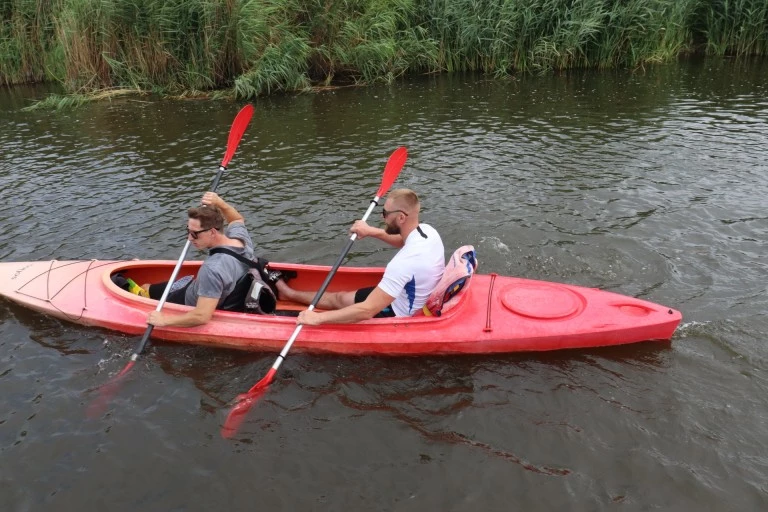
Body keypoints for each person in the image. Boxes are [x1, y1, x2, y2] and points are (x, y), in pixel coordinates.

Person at [275, 188, 445, 325]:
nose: (382, 216)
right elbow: (402, 240)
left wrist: (317, 318)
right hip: (405, 296)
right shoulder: (428, 232)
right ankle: (288, 294)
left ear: (401, 217)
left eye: (385, 213)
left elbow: (367, 311)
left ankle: (289, 295)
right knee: (340, 298)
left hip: (397, 313)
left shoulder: (403, 263)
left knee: (340, 302)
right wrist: (370, 231)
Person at [145, 192, 255, 328]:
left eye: (195, 234)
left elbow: (202, 316)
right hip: (194, 285)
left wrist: (164, 321)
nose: (189, 238)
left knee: (145, 290)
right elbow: (236, 219)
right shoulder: (241, 240)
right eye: (188, 231)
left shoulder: (212, 268)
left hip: (185, 299)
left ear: (212, 232)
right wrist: (220, 203)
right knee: (151, 288)